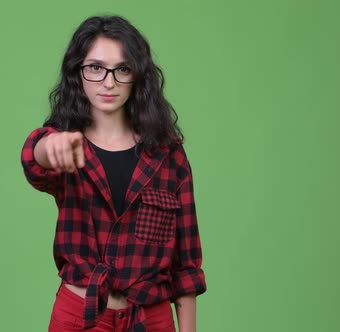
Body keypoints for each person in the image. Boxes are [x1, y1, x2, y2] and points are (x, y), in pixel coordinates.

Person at [21, 15, 206, 332]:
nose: (109, 82)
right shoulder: (67, 145)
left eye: (122, 69)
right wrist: (49, 146)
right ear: (77, 74)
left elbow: (185, 262)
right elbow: (35, 162)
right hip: (81, 315)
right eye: (95, 68)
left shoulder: (167, 154)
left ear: (138, 76)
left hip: (150, 319)